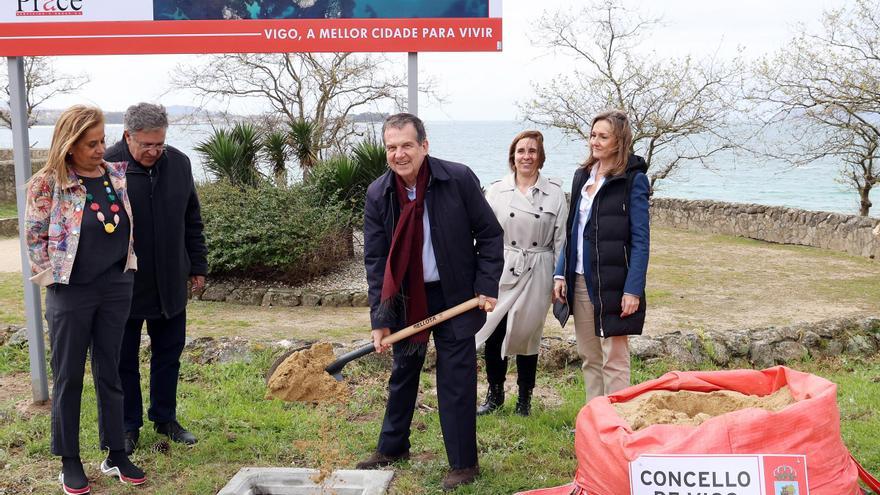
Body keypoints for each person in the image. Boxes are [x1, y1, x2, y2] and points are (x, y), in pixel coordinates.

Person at [357, 113, 504, 490]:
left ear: (425, 145)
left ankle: (463, 464)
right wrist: (381, 318)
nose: (399, 154)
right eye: (391, 147)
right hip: (407, 298)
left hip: (456, 296)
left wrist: (486, 285)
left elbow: (489, 235)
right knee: (403, 371)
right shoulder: (379, 194)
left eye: (407, 145)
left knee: (456, 379)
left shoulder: (457, 179)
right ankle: (393, 447)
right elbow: (375, 262)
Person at [25, 105, 147, 494]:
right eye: (91, 143)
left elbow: (122, 225)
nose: (101, 149)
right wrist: (56, 279)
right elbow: (34, 237)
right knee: (69, 376)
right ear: (70, 143)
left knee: (110, 371)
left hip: (116, 287)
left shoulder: (115, 175)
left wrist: (126, 269)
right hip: (70, 292)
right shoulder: (47, 184)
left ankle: (115, 452)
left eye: (102, 140)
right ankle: (69, 461)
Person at [104, 103, 207, 454]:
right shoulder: (106, 166)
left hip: (169, 279)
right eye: (146, 145)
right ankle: (128, 425)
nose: (154, 152)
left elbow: (192, 218)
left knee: (169, 353)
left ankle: (165, 418)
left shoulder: (179, 163)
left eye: (159, 144)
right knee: (123, 359)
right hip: (123, 283)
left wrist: (197, 266)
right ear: (127, 136)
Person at [552, 109, 650, 403]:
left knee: (614, 359)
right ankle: (595, 421)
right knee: (589, 356)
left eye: (603, 136)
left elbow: (641, 240)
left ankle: (617, 425)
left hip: (615, 283)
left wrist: (633, 289)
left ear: (619, 141)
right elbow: (572, 229)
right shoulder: (582, 176)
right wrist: (560, 272)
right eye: (593, 135)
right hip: (580, 280)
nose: (595, 141)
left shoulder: (633, 180)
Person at [474, 130, 568, 416]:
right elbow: (482, 234)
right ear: (512, 157)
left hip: (538, 268)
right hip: (502, 266)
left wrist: (558, 277)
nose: (526, 156)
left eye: (532, 151)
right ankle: (495, 393)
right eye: (521, 151)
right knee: (493, 330)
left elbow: (561, 240)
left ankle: (525, 398)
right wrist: (478, 272)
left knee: (529, 335)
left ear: (540, 157)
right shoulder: (496, 190)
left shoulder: (555, 194)